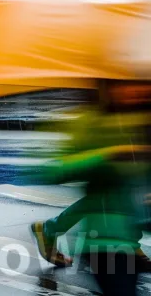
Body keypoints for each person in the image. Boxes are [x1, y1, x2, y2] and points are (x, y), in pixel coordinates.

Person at [31, 80, 151, 295]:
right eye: (127, 83)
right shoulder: (94, 123)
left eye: (142, 82)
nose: (136, 90)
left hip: (128, 233)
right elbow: (53, 170)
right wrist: (108, 156)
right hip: (107, 241)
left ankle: (50, 228)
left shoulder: (143, 119)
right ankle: (49, 228)